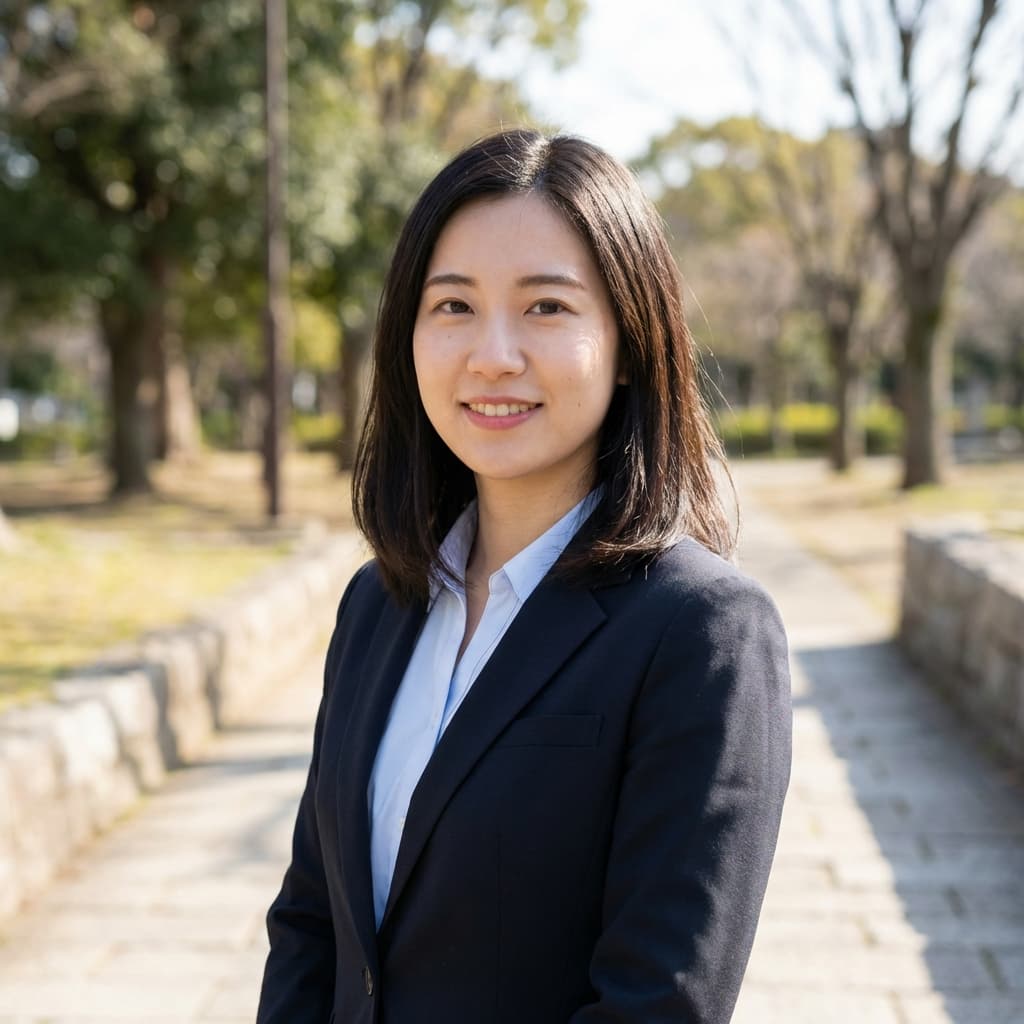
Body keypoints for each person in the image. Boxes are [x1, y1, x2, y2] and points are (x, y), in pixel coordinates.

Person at [256, 128, 791, 1024]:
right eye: (453, 306)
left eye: (546, 307)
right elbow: (312, 923)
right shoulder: (376, 607)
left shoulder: (702, 633)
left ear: (629, 344)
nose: (493, 355)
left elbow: (660, 1001)